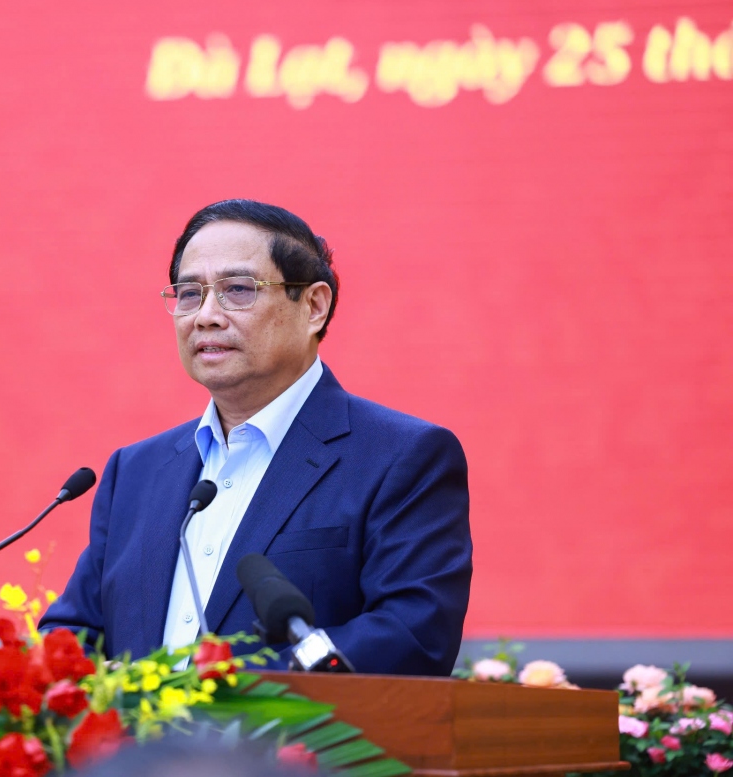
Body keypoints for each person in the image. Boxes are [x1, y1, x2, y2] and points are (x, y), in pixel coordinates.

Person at [39, 199, 471, 675]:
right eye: (189, 293)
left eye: (238, 290)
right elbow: (73, 632)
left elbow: (411, 637)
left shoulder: (401, 457)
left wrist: (214, 695)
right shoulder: (136, 472)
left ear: (313, 306)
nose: (205, 316)